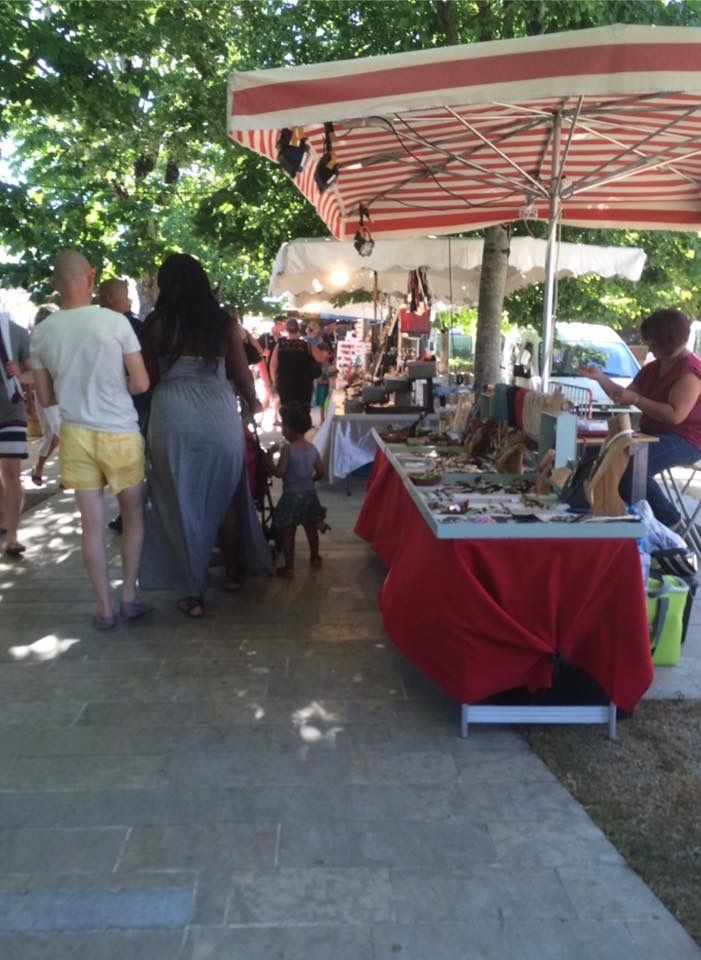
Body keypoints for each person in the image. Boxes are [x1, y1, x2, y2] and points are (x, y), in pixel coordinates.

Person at [139, 253, 272, 619]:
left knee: (180, 501)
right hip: (217, 414)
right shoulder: (222, 323)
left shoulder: (155, 326)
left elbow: (149, 381)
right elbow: (242, 377)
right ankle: (232, 573)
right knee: (227, 497)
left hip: (173, 416)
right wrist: (252, 403)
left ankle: (193, 592)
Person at [30, 250, 152, 628]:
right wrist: (116, 388)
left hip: (76, 435)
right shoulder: (115, 323)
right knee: (132, 516)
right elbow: (142, 382)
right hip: (120, 432)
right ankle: (129, 595)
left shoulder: (43, 333)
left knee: (92, 526)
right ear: (92, 277)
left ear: (54, 284)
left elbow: (46, 399)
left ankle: (104, 609)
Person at [581, 308, 701, 528]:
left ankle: (670, 523)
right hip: (651, 434)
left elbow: (675, 415)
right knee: (599, 457)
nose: (650, 346)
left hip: (686, 440)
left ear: (669, 340)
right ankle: (616, 518)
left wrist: (636, 398)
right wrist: (600, 378)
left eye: (653, 341)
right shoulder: (653, 368)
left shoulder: (690, 372)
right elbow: (623, 395)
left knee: (630, 467)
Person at [99, 278, 150, 532]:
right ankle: (131, 513)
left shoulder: (128, 325)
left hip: (131, 404)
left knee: (131, 462)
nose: (130, 298)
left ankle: (130, 513)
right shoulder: (129, 326)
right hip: (127, 405)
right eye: (125, 293)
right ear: (110, 298)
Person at [267, 401, 325, 577]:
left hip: (291, 497)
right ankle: (315, 557)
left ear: (289, 429)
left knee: (288, 533)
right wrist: (311, 480)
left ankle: (290, 567)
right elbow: (321, 471)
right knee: (311, 529)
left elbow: (279, 472)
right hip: (309, 495)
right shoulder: (312, 448)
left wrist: (268, 459)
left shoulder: (287, 449)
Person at [0, 303, 32, 557]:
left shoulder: (17, 332)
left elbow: (34, 373)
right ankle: (4, 518)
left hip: (11, 411)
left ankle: (13, 535)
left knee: (11, 472)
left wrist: (20, 373)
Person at [29, 304, 60, 486]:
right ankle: (69, 473)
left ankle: (39, 467)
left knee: (54, 434)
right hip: (47, 390)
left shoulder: (41, 338)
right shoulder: (39, 340)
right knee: (59, 433)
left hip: (49, 390)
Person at [269, 317, 321, 411]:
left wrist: (275, 382)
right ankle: (303, 425)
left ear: (286, 330)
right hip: (304, 383)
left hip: (285, 383)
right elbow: (320, 358)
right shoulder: (306, 345)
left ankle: (288, 425)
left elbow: (273, 366)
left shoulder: (280, 345)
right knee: (303, 408)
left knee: (287, 409)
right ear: (299, 329)